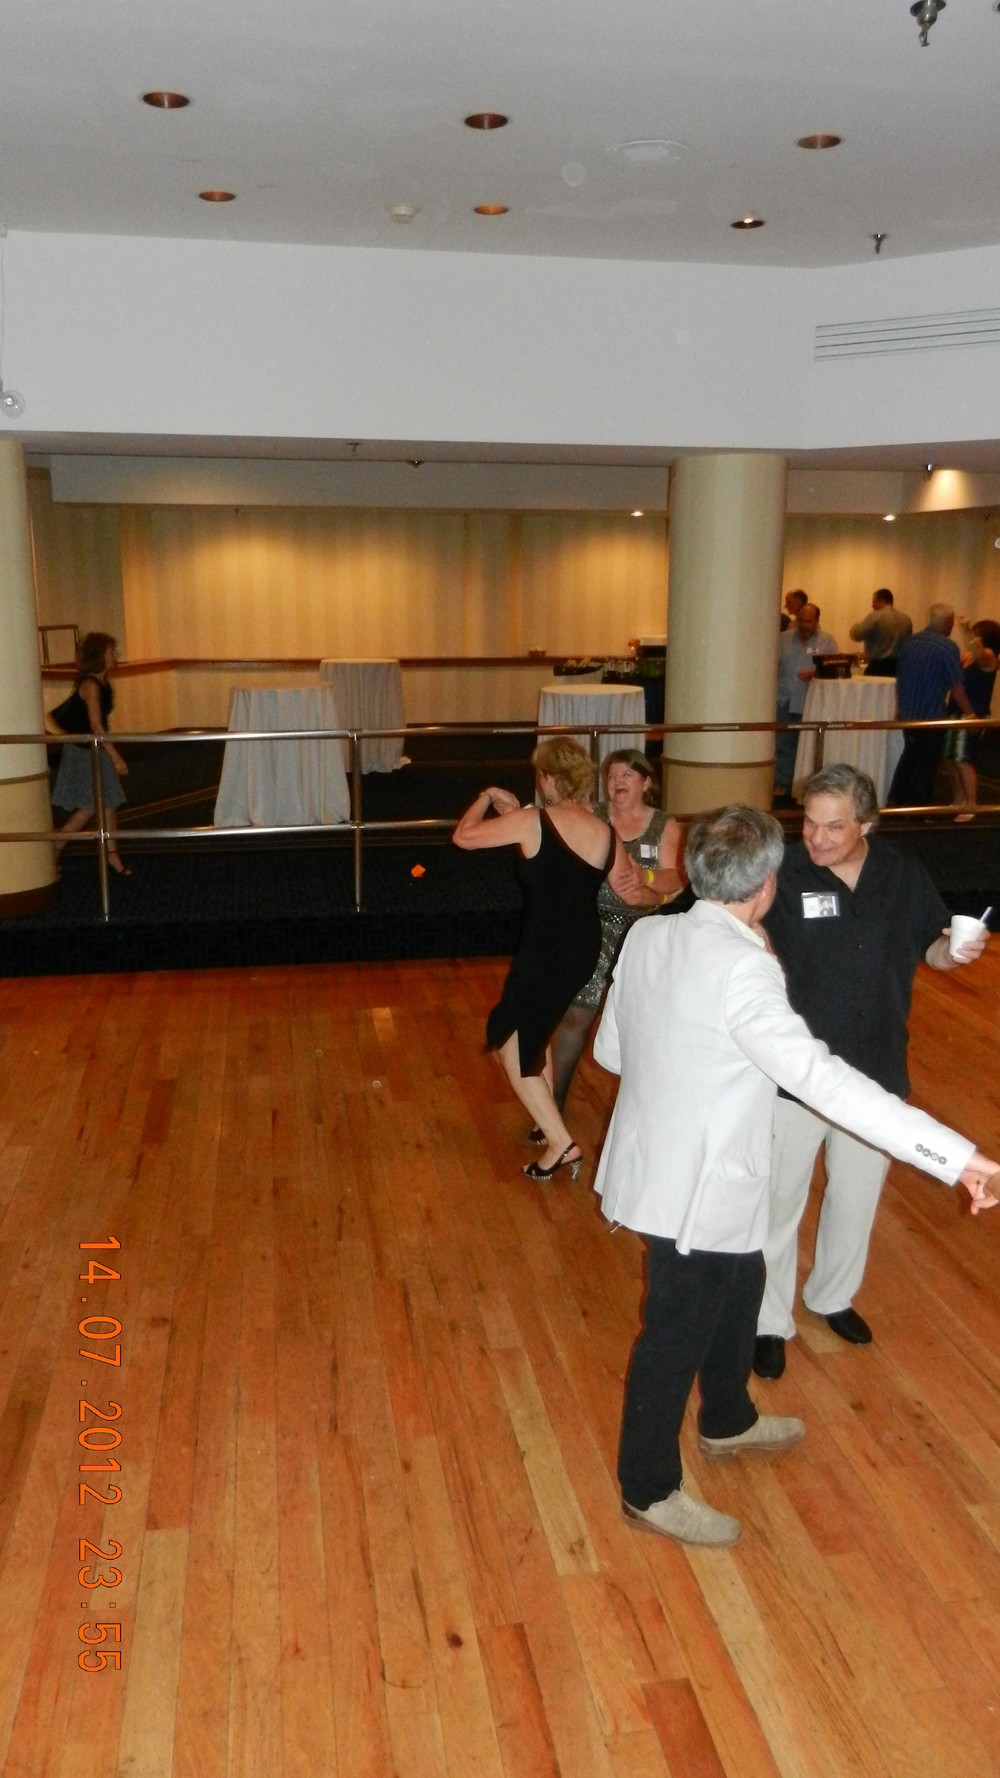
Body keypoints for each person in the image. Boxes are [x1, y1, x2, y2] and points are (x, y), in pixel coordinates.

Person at [593, 804, 998, 1548]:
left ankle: (727, 1418)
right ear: (765, 885)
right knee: (672, 1335)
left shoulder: (650, 933)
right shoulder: (745, 969)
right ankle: (647, 1491)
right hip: (696, 1193)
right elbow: (825, 1082)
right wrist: (955, 1155)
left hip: (667, 1167)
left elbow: (611, 1054)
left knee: (744, 1278)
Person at [753, 763, 990, 1381]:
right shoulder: (781, 871)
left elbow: (931, 948)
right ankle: (768, 1320)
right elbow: (740, 931)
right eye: (809, 822)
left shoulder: (901, 875)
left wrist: (955, 952)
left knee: (856, 1197)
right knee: (777, 1201)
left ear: (866, 824)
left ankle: (831, 1296)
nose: (816, 837)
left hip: (877, 1066)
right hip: (797, 1070)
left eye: (834, 826)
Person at [452, 737, 628, 1182]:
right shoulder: (603, 831)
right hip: (581, 946)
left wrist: (486, 797)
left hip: (545, 948)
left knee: (511, 1040)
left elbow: (464, 837)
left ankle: (560, 1143)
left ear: (548, 778)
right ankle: (545, 1121)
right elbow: (625, 886)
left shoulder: (534, 821)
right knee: (536, 1030)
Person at [533, 749, 683, 1128]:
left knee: (645, 1025)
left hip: (643, 932)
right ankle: (553, 1106)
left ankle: (650, 1110)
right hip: (594, 927)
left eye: (627, 775)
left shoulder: (664, 825)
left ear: (646, 783)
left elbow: (676, 877)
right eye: (612, 775)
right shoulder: (592, 814)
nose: (617, 782)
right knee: (576, 1017)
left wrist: (646, 879)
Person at [50, 631, 130, 874]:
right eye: (110, 651)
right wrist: (116, 757)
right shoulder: (91, 684)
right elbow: (96, 725)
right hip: (85, 751)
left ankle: (112, 857)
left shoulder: (101, 681)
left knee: (108, 803)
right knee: (90, 805)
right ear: (100, 655)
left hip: (95, 747)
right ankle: (55, 847)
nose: (115, 655)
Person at [888, 603, 974, 808]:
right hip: (932, 715)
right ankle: (919, 807)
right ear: (947, 622)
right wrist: (971, 713)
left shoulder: (910, 642)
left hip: (909, 713)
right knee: (927, 764)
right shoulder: (946, 647)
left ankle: (895, 801)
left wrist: (899, 707)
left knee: (909, 757)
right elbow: (955, 686)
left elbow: (901, 679)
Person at [774, 602, 840, 795]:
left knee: (807, 747)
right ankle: (782, 784)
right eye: (801, 620)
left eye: (808, 621)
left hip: (810, 702)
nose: (804, 625)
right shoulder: (783, 639)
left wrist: (816, 673)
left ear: (817, 621)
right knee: (783, 744)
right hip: (783, 700)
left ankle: (805, 787)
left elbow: (836, 670)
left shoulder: (827, 642)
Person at [944, 618, 1000, 821]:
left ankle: (971, 803)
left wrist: (966, 630)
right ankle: (959, 798)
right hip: (955, 710)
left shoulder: (989, 657)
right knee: (950, 757)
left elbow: (978, 650)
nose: (972, 637)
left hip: (973, 713)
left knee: (963, 759)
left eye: (977, 634)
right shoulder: (970, 657)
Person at [848, 587, 912, 677]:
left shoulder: (875, 617)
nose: (872, 605)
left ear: (881, 601)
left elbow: (857, 634)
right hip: (899, 668)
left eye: (874, 601)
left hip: (878, 667)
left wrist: (855, 626)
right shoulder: (906, 619)